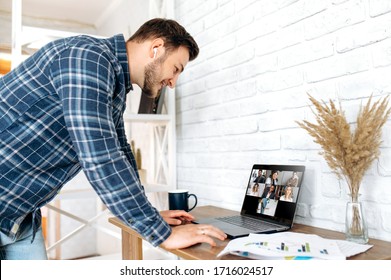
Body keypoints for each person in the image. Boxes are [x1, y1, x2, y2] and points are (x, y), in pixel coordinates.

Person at [0, 18, 226, 260]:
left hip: (19, 217)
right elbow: (101, 157)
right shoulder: (87, 57)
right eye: (176, 69)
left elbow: (120, 152)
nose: (173, 83)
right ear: (156, 48)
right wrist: (163, 235)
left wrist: (149, 215)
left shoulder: (114, 82)